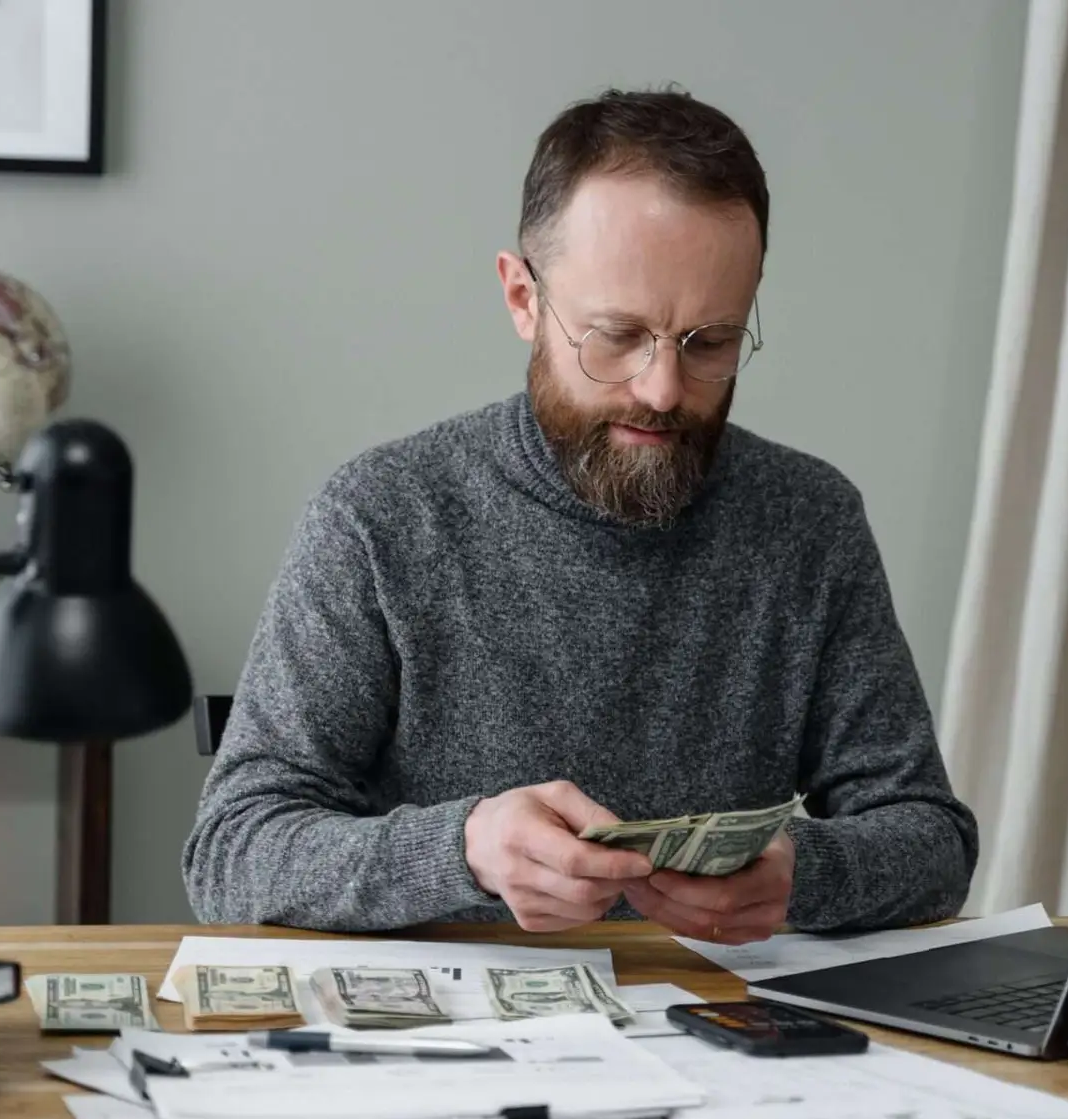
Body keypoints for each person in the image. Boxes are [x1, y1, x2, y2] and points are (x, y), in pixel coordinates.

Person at [182, 87, 978, 945]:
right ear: (523, 298)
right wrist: (463, 851)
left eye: (709, 342)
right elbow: (232, 852)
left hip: (725, 1041)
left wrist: (803, 876)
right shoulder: (378, 517)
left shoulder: (808, 522)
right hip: (446, 1049)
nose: (663, 388)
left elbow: (932, 840)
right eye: (617, 335)